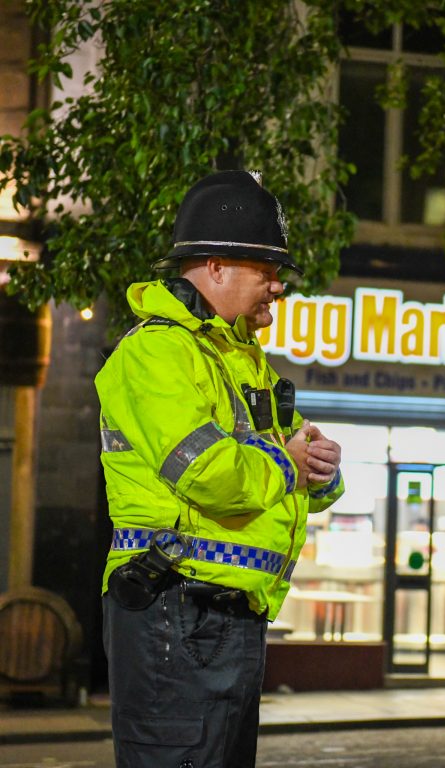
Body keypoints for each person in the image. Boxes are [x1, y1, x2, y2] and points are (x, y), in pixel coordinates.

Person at [96, 170, 344, 768]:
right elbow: (211, 473)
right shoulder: (157, 351)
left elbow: (295, 472)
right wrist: (288, 463)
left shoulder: (240, 359)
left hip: (221, 620)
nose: (277, 287)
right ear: (215, 267)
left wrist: (322, 469)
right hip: (174, 610)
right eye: (266, 271)